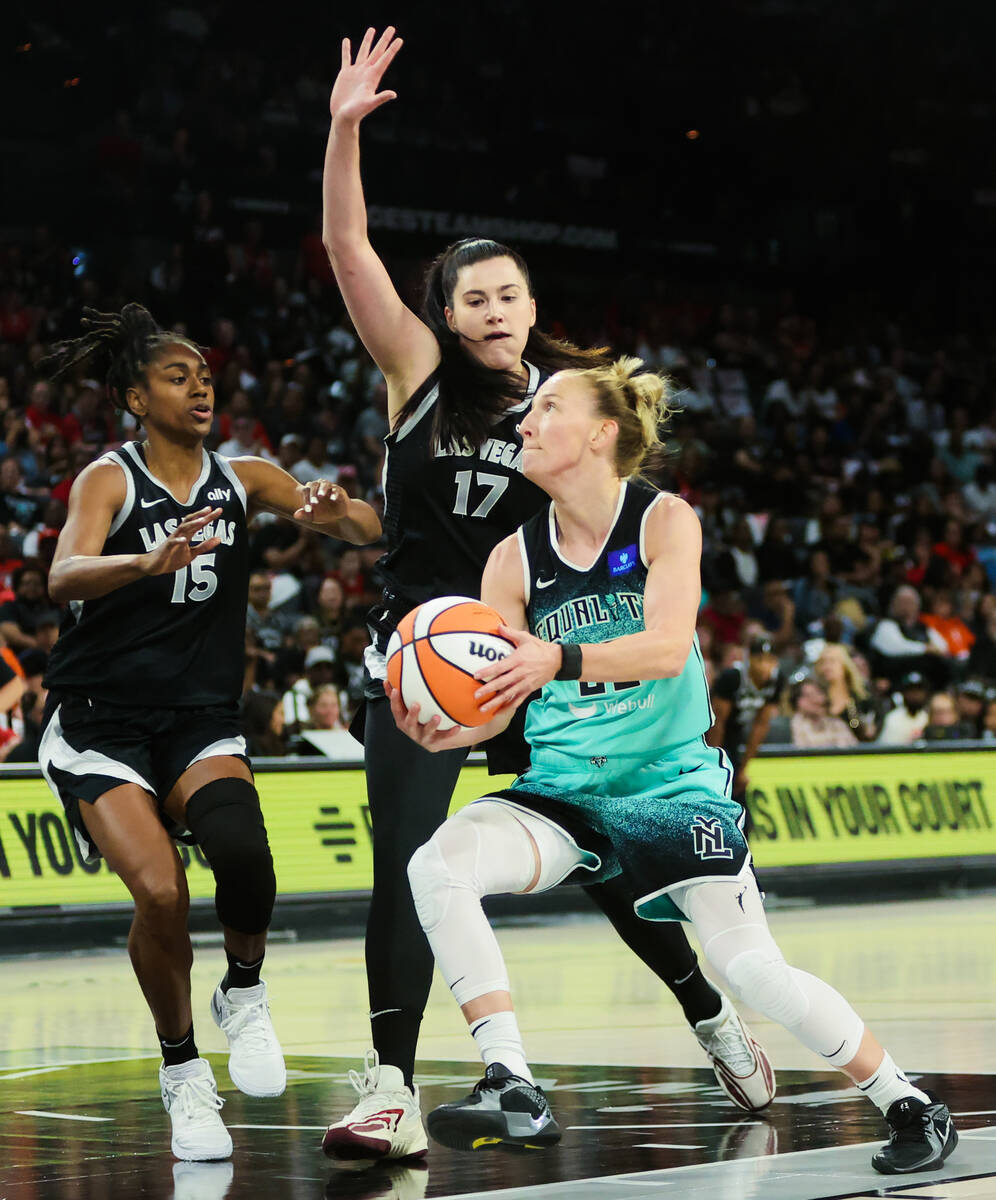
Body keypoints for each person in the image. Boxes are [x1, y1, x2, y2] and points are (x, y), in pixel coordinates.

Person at [318, 26, 774, 1165]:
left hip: (542, 649)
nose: (491, 311)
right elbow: (346, 244)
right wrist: (341, 131)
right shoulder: (418, 378)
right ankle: (389, 1086)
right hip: (431, 648)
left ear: (530, 304)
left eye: (507, 293)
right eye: (469, 298)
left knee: (613, 851)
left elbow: (622, 524)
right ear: (444, 314)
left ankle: (710, 1013)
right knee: (414, 858)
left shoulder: (559, 410)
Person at [392, 359, 958, 1174]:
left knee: (749, 968)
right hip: (566, 788)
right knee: (436, 866)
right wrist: (460, 725)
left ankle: (908, 1101)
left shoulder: (664, 521)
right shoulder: (510, 561)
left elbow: (664, 648)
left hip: (669, 783)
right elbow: (507, 695)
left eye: (546, 407)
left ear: (601, 432)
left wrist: (552, 658)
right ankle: (512, 1081)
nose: (523, 423)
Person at [37, 303, 381, 1161]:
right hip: (100, 721)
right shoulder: (107, 481)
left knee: (247, 854)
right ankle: (184, 1072)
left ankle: (244, 991)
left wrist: (339, 510)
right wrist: (144, 562)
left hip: (198, 718)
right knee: (159, 894)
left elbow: (372, 533)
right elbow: (62, 574)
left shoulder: (246, 478)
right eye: (176, 375)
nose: (200, 386)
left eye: (204, 374)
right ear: (133, 398)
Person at [813, 642, 880, 741]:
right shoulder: (815, 698)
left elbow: (873, 727)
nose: (826, 667)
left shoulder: (862, 697)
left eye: (832, 661)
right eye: (823, 662)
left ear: (845, 665)